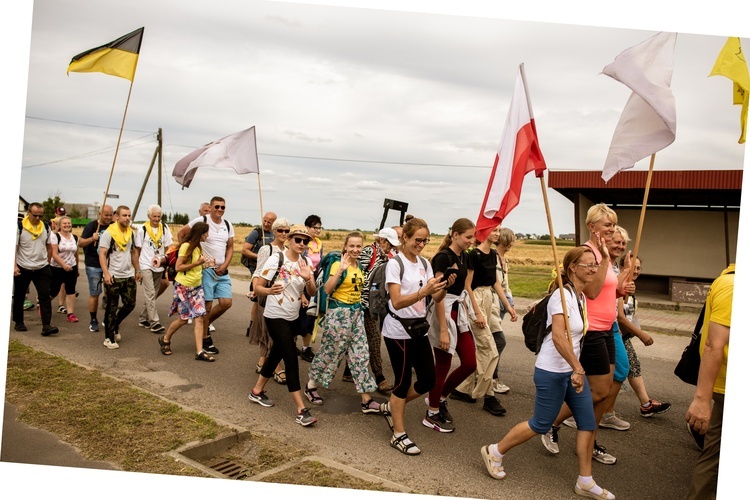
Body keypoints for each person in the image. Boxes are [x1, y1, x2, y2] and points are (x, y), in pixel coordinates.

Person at [480, 246, 615, 500]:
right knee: (540, 424)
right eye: (589, 265)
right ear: (573, 268)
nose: (594, 269)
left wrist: (577, 369)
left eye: (596, 265)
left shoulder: (580, 296)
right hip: (552, 371)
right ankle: (494, 451)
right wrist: (578, 368)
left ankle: (585, 481)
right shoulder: (560, 297)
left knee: (587, 423)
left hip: (573, 371)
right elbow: (559, 338)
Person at [541, 203, 634, 465]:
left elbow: (605, 292)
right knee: (596, 392)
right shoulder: (588, 253)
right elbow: (591, 292)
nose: (612, 229)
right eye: (607, 224)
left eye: (613, 224)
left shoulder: (603, 254)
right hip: (591, 328)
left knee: (602, 391)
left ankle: (587, 440)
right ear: (592, 227)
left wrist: (620, 290)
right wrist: (604, 259)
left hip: (608, 328)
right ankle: (555, 424)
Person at [379, 218, 448, 455]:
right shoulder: (395, 264)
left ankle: (393, 406)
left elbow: (435, 298)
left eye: (425, 240)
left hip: (418, 329)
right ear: (404, 238)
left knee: (428, 380)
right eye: (417, 240)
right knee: (402, 382)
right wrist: (423, 292)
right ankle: (398, 434)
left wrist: (442, 288)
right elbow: (396, 302)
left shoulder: (424, 263)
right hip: (398, 330)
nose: (421, 244)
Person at [247, 225, 318, 427]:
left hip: (293, 317)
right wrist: (269, 292)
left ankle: (257, 391)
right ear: (289, 240)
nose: (302, 244)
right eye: (298, 240)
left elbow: (312, 292)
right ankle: (301, 410)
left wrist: (308, 279)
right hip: (275, 315)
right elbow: (257, 286)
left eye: (306, 241)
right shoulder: (276, 259)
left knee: (276, 353)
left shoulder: (305, 262)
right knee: (290, 359)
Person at [303, 231, 381, 414]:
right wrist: (340, 270)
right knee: (331, 353)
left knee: (360, 354)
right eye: (351, 246)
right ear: (345, 246)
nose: (355, 249)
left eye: (358, 246)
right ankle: (311, 386)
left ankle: (366, 400)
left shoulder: (360, 267)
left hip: (356, 314)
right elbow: (328, 289)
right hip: (339, 314)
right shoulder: (339, 264)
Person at [451, 224, 513, 417]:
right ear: (484, 232)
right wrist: (477, 312)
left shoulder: (493, 254)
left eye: (498, 231)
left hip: (489, 298)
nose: (497, 234)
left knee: (483, 349)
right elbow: (467, 285)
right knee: (490, 349)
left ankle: (462, 389)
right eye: (494, 230)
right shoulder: (473, 255)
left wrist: (508, 306)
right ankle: (489, 396)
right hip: (475, 299)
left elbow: (495, 282)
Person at [423, 218, 477, 433]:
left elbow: (464, 287)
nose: (471, 241)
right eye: (468, 237)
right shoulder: (443, 257)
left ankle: (439, 397)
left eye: (473, 237)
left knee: (470, 363)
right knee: (442, 365)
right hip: (444, 312)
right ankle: (432, 412)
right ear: (455, 234)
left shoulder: (462, 255)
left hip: (459, 311)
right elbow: (438, 294)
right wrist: (443, 330)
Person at [685, 264, 733, 500]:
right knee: (713, 457)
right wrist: (702, 400)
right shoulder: (733, 285)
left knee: (713, 454)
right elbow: (714, 344)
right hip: (727, 386)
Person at [178, 196, 234, 355]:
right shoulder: (202, 220)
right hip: (206, 270)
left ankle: (204, 325)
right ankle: (205, 337)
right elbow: (182, 233)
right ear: (211, 207)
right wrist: (188, 253)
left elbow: (230, 247)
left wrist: (225, 265)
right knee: (207, 306)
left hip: (222, 270)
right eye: (217, 207)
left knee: (226, 303)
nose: (220, 210)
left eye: (223, 207)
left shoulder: (228, 225)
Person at [617, 255, 671, 417]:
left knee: (632, 367)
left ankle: (645, 404)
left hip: (624, 337)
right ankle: (599, 412)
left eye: (639, 268)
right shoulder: (620, 287)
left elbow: (628, 316)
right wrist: (640, 333)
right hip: (614, 337)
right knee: (614, 376)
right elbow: (619, 317)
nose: (636, 271)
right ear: (622, 268)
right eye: (632, 267)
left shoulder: (630, 287)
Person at [158, 222, 215, 361]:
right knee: (183, 319)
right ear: (200, 234)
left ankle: (199, 351)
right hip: (183, 287)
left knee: (200, 318)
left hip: (197, 287)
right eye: (206, 233)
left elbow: (196, 268)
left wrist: (207, 265)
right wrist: (197, 263)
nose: (208, 235)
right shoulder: (186, 246)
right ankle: (165, 339)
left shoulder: (198, 247)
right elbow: (178, 267)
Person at [358, 227, 400, 393]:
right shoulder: (370, 251)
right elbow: (358, 273)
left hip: (377, 304)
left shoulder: (389, 256)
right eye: (389, 243)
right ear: (382, 240)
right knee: (373, 338)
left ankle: (353, 371)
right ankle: (379, 376)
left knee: (369, 337)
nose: (391, 247)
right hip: (363, 303)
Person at [249, 217, 290, 383]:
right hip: (267, 293)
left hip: (283, 296)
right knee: (269, 331)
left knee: (272, 330)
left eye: (287, 231)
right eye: (280, 230)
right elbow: (258, 273)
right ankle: (277, 366)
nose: (283, 233)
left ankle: (262, 359)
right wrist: (255, 291)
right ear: (274, 231)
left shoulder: (288, 250)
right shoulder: (267, 249)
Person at [98, 205, 142, 349]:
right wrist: (106, 273)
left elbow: (134, 252)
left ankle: (115, 324)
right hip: (114, 276)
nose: (128, 218)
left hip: (128, 275)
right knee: (112, 306)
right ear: (117, 217)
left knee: (130, 304)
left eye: (129, 215)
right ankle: (109, 338)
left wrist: (138, 270)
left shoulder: (131, 233)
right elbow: (103, 254)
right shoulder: (108, 233)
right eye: (125, 215)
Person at [13, 202, 59, 336]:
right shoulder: (20, 227)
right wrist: (14, 266)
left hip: (41, 267)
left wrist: (47, 262)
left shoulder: (45, 227)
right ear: (28, 212)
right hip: (23, 267)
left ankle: (46, 326)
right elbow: (14, 248)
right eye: (35, 215)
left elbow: (50, 246)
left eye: (40, 215)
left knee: (45, 296)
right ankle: (18, 322)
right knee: (19, 296)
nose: (38, 218)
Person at [134, 204, 173, 334]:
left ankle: (143, 318)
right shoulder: (142, 230)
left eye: (159, 216)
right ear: (149, 216)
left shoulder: (165, 228)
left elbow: (169, 248)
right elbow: (137, 250)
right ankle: (154, 322)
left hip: (159, 265)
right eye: (154, 216)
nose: (156, 219)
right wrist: (137, 269)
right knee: (150, 293)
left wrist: (168, 264)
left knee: (153, 293)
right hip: (145, 264)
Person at [78, 204, 114, 332]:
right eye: (106, 215)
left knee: (111, 294)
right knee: (95, 293)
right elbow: (80, 243)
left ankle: (107, 318)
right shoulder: (92, 226)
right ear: (100, 214)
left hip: (110, 265)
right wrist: (91, 238)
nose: (109, 217)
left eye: (111, 215)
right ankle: (93, 320)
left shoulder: (114, 226)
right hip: (94, 264)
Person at [492, 227, 518, 394]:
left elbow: (505, 284)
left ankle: (490, 377)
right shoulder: (493, 258)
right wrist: (507, 302)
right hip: (493, 302)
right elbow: (496, 283)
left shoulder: (504, 261)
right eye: (511, 241)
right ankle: (492, 378)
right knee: (497, 342)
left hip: (501, 303)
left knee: (494, 342)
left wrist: (511, 302)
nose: (511, 245)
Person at [296, 214, 323, 362]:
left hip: (313, 283)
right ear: (307, 228)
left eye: (320, 227)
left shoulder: (319, 244)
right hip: (301, 282)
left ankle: (306, 348)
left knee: (309, 316)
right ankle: (291, 344)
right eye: (315, 227)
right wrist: (302, 293)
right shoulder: (301, 244)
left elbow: (319, 265)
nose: (318, 230)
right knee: (297, 315)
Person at [49, 215, 79, 323]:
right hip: (57, 267)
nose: (67, 225)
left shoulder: (75, 237)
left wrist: (77, 268)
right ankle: (43, 304)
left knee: (71, 290)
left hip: (72, 267)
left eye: (69, 223)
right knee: (54, 290)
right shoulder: (55, 236)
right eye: (64, 223)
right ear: (59, 225)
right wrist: (63, 265)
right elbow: (54, 254)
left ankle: (70, 314)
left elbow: (76, 254)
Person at [242, 212, 277, 277]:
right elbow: (245, 250)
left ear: (274, 223)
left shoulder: (276, 233)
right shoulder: (256, 232)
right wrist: (260, 256)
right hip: (256, 267)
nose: (265, 224)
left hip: (270, 267)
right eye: (264, 221)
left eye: (269, 222)